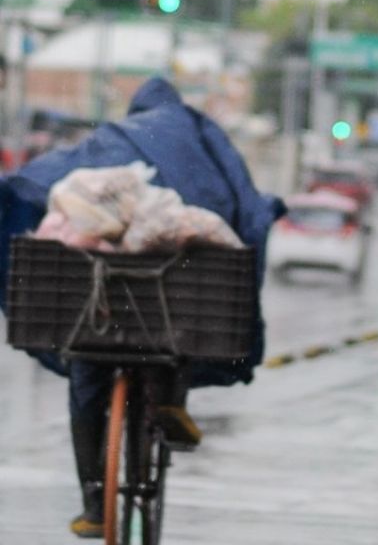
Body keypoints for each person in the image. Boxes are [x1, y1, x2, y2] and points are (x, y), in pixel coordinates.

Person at [0, 77, 283, 538]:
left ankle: (94, 501)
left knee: (86, 384)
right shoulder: (196, 138)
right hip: (164, 301)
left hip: (94, 313)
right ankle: (171, 400)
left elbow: (55, 173)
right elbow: (231, 195)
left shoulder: (113, 139)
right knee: (176, 334)